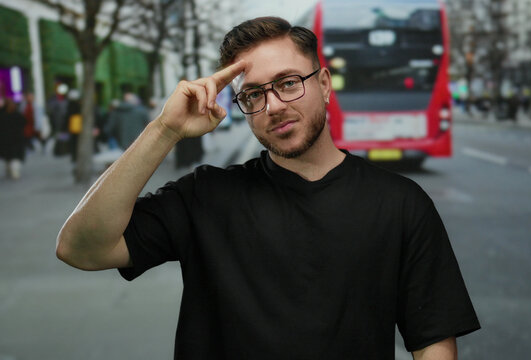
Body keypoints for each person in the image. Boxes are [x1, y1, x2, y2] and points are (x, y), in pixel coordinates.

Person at [56, 17, 480, 359]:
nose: (273, 105)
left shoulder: (401, 203)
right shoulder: (206, 196)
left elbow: (433, 341)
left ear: (325, 84)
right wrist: (164, 130)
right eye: (253, 94)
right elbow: (81, 247)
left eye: (288, 82)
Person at [0, 97, 27, 180]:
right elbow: (24, 123)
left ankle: (11, 170)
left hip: (6, 140)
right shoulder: (17, 115)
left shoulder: (3, 115)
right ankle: (14, 171)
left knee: (9, 156)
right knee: (15, 157)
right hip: (16, 139)